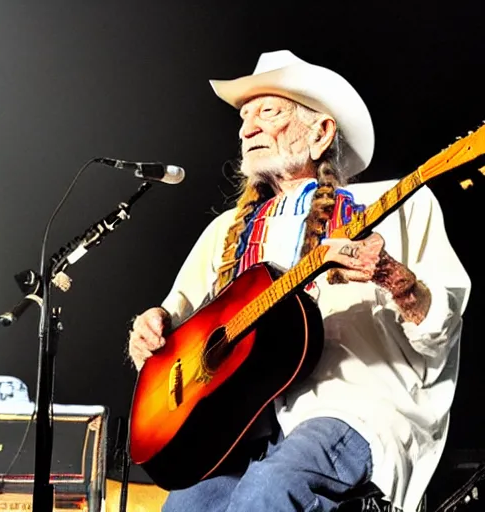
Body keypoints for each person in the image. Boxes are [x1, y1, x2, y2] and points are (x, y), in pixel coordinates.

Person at [127, 50, 471, 512]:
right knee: (183, 507)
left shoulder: (398, 204)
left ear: (320, 133)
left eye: (267, 112)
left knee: (269, 491)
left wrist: (394, 277)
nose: (247, 128)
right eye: (244, 117)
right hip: (244, 425)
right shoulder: (224, 231)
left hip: (354, 408)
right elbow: (172, 326)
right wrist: (151, 331)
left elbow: (440, 332)